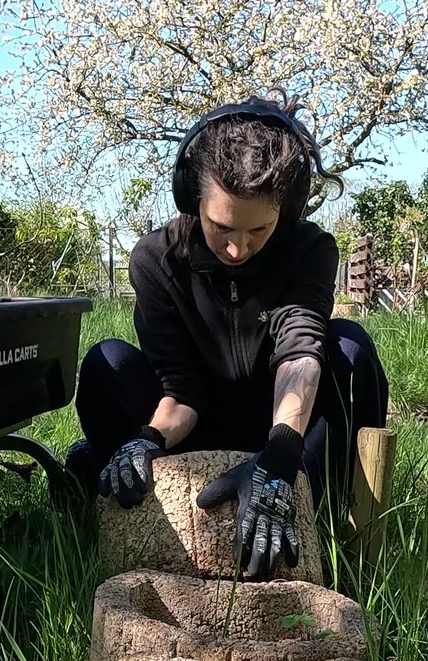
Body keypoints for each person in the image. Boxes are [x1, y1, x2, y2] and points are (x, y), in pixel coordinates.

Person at [67, 98, 389, 579]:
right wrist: (145, 441)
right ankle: (125, 512)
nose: (237, 248)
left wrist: (280, 456)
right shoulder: (157, 260)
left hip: (283, 425)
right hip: (196, 424)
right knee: (105, 363)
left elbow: (300, 351)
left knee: (350, 349)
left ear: (287, 206)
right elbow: (181, 389)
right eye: (222, 227)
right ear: (193, 199)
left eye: (258, 228)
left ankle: (316, 516)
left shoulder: (309, 250)